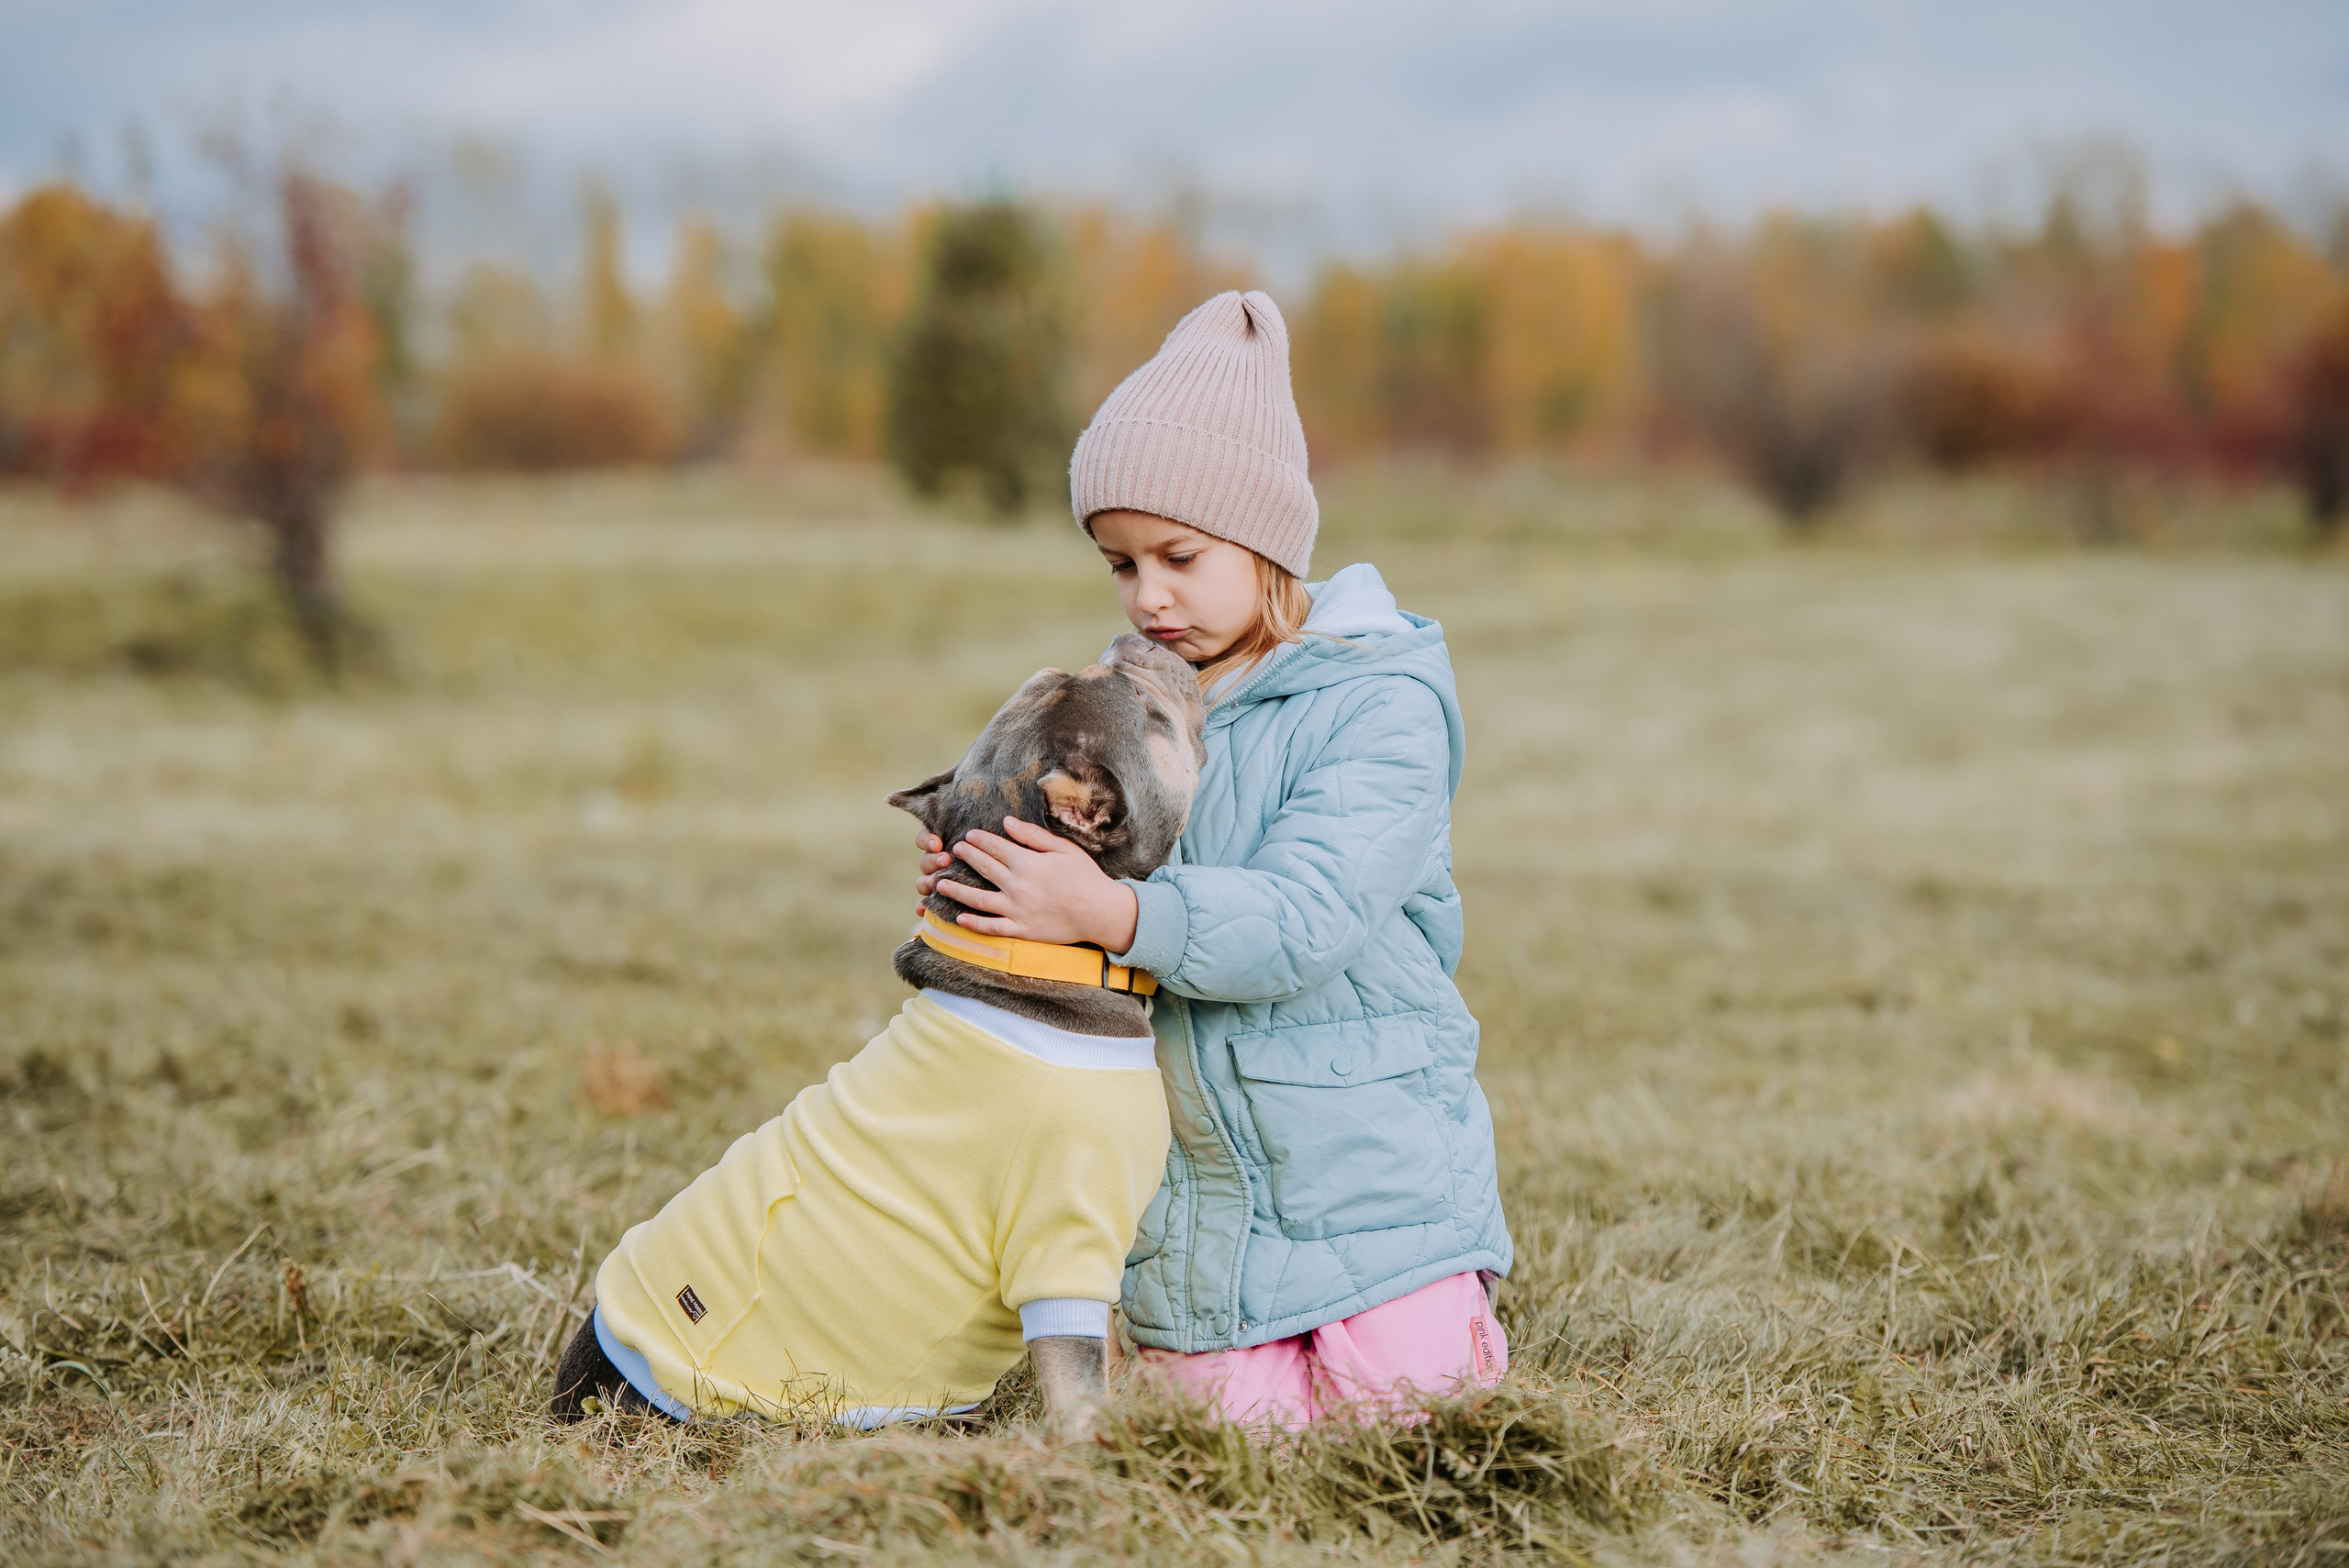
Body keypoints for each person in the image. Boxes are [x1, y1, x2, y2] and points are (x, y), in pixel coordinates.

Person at [916, 290, 1511, 1427]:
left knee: (1411, 1417)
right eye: (1120, 563)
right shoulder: (1129, 710)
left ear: (1267, 539)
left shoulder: (1380, 702)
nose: (1148, 595)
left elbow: (1305, 916)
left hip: (1371, 1179)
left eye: (1178, 555)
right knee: (1220, 1445)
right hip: (1199, 1206)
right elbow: (1081, 867)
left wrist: (1109, 913)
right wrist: (993, 875)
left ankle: (1449, 1323)